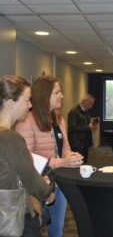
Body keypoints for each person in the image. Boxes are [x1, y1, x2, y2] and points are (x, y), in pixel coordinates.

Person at [15, 76, 83, 237]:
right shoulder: (27, 121)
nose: (62, 96)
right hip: (37, 185)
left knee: (57, 230)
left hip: (59, 183)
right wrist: (61, 162)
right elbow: (27, 158)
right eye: (57, 92)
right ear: (45, 95)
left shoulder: (59, 119)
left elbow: (65, 147)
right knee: (35, 228)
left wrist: (71, 156)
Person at [0, 75, 54, 236]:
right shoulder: (11, 138)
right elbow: (30, 179)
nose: (30, 105)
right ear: (10, 103)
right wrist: (47, 193)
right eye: (27, 100)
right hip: (16, 217)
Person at [67, 94, 97, 162]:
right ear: (85, 102)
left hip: (84, 143)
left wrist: (91, 127)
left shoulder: (85, 112)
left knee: (84, 162)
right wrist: (88, 127)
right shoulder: (74, 112)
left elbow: (86, 125)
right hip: (76, 144)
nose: (91, 107)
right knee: (77, 164)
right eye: (90, 104)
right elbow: (72, 128)